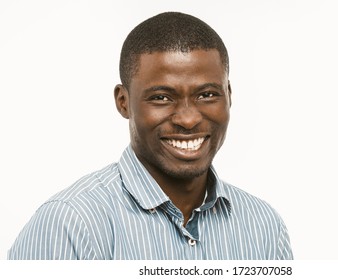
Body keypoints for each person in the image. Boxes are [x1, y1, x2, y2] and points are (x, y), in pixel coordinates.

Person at [8, 12, 293, 260]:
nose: (188, 118)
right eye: (161, 97)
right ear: (123, 102)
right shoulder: (70, 225)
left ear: (229, 96)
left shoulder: (264, 227)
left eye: (207, 95)